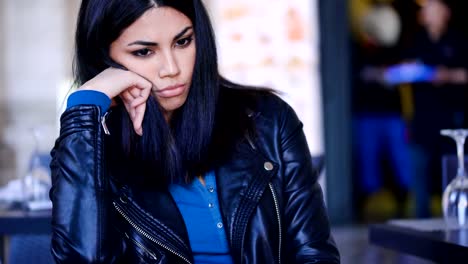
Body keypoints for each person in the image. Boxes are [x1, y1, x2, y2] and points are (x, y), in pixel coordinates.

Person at [49, 0, 340, 263]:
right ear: (104, 59)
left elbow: (314, 254)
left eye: (183, 41)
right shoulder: (91, 148)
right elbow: (82, 259)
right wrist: (86, 104)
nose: (171, 68)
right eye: (144, 51)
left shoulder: (267, 121)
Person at [401, 0, 468, 217]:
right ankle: (421, 222)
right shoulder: (416, 41)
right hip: (422, 119)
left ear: (446, 12)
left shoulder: (458, 40)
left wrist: (447, 75)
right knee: (419, 173)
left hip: (451, 119)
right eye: (426, 10)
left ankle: (454, 218)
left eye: (434, 9)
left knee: (452, 169)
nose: (429, 14)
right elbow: (403, 70)